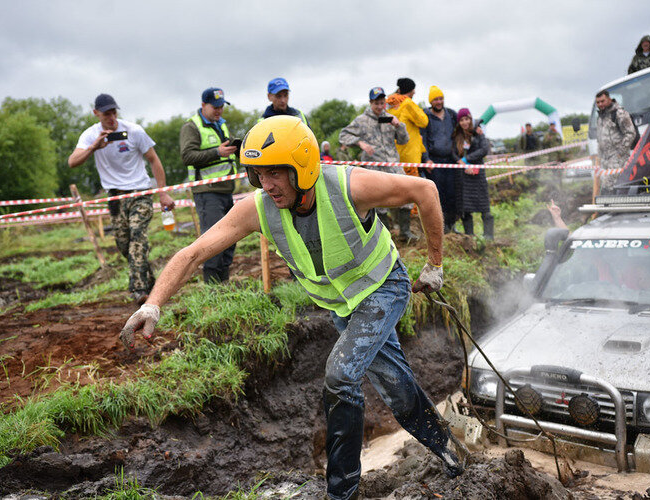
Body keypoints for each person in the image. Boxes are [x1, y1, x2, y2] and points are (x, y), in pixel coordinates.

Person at [119, 116, 464, 500]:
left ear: (302, 167)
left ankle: (341, 493)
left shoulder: (351, 186)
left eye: (275, 174)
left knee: (340, 375)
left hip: (383, 289)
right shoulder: (259, 208)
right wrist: (152, 305)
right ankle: (452, 450)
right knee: (396, 389)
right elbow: (194, 252)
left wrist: (434, 265)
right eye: (257, 175)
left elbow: (426, 189)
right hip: (342, 306)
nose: (266, 185)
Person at [68, 94, 175, 303]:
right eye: (106, 113)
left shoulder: (134, 131)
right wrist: (94, 148)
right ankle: (148, 280)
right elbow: (72, 162)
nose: (111, 117)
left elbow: (154, 159)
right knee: (124, 243)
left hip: (140, 192)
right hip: (115, 196)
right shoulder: (90, 135)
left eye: (114, 112)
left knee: (137, 236)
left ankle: (138, 290)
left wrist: (162, 192)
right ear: (96, 113)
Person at [339, 87, 415, 242]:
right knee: (378, 201)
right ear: (370, 103)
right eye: (376, 104)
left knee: (407, 194)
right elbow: (343, 136)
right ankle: (385, 236)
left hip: (393, 164)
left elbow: (404, 140)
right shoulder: (361, 120)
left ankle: (405, 233)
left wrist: (398, 126)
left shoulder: (390, 118)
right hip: (374, 167)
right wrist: (359, 142)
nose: (380, 107)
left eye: (382, 103)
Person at [179, 87, 238, 283]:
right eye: (215, 107)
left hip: (226, 189)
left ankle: (224, 284)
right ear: (203, 105)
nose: (219, 110)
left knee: (229, 239)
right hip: (207, 192)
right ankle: (213, 288)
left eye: (221, 107)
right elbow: (187, 156)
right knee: (213, 241)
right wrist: (217, 152)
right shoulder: (191, 127)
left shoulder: (221, 124)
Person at [421, 85, 459, 231]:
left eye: (441, 98)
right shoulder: (426, 117)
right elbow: (422, 139)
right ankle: (440, 226)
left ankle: (452, 225)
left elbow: (463, 128)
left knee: (452, 193)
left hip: (450, 160)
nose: (439, 102)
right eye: (435, 99)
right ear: (431, 102)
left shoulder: (451, 115)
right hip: (434, 161)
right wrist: (426, 159)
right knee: (438, 194)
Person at [453, 110, 493, 239]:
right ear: (459, 122)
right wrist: (461, 162)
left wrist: (467, 159)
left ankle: (488, 237)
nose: (465, 122)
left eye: (466, 119)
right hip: (463, 176)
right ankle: (469, 237)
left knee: (484, 207)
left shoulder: (478, 133)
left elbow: (484, 149)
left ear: (470, 119)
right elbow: (453, 152)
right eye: (462, 120)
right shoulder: (457, 135)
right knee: (466, 209)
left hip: (478, 175)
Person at [386, 77, 429, 176]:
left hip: (396, 153)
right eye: (413, 89)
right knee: (412, 187)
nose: (414, 92)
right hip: (410, 155)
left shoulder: (391, 105)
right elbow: (424, 122)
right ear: (410, 91)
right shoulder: (408, 104)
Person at [595, 90, 636, 191]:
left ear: (609, 99)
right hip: (605, 160)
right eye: (598, 102)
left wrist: (620, 153)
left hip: (618, 160)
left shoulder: (619, 114)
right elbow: (600, 138)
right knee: (606, 187)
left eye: (602, 101)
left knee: (613, 187)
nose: (600, 104)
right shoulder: (601, 117)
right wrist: (599, 157)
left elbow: (631, 133)